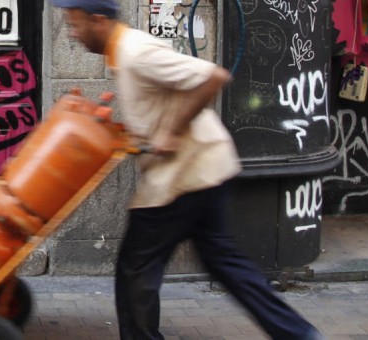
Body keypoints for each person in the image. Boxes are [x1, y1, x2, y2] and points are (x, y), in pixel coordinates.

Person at [50, 1, 325, 339]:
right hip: (205, 169)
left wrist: (173, 131)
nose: (73, 34)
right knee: (227, 264)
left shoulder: (136, 51)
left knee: (136, 268)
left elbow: (212, 76)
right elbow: (161, 104)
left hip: (183, 177)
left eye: (75, 24)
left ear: (98, 20)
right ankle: (299, 334)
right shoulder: (123, 54)